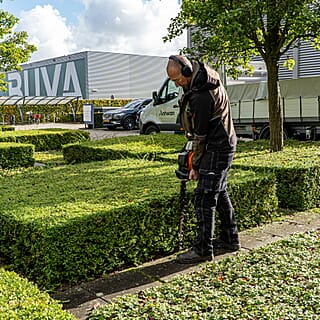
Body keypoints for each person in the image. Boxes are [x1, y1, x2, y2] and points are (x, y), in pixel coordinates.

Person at [167, 55, 240, 264]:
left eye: (178, 79)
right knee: (220, 192)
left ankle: (203, 250)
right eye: (173, 81)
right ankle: (230, 238)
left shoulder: (202, 95)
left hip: (217, 146)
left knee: (204, 198)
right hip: (222, 142)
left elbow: (200, 135)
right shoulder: (202, 78)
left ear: (188, 71)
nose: (177, 83)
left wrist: (195, 165)